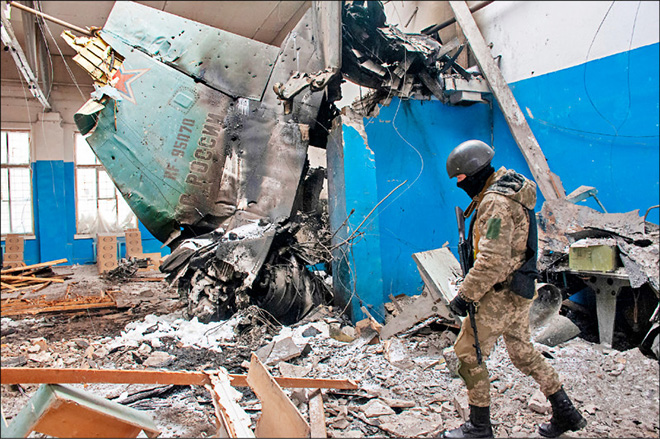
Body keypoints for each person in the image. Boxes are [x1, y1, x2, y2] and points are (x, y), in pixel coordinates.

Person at [440, 140, 587, 438]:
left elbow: (492, 260)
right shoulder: (511, 187)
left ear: (475, 172)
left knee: (467, 353)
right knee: (522, 352)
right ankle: (566, 411)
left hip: (500, 294)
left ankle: (479, 427)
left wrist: (465, 295)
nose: (459, 184)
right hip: (520, 287)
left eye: (461, 178)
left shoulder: (495, 203)